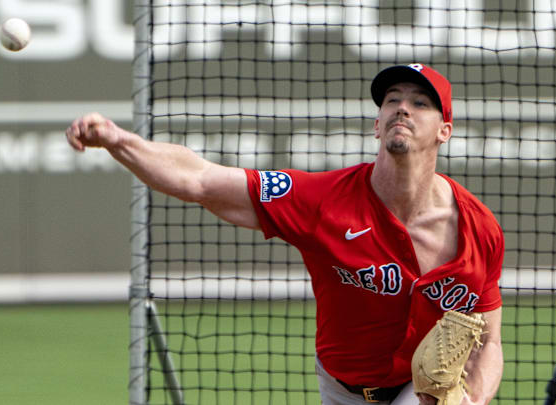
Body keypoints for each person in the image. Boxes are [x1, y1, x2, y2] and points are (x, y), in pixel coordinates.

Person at [66, 63, 504, 405]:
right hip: (343, 387)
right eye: (392, 100)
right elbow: (199, 180)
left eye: (421, 103)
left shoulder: (478, 230)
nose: (402, 108)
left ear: (444, 130)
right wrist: (117, 139)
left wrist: (474, 397)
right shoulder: (321, 200)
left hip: (425, 389)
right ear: (377, 123)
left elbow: (489, 342)